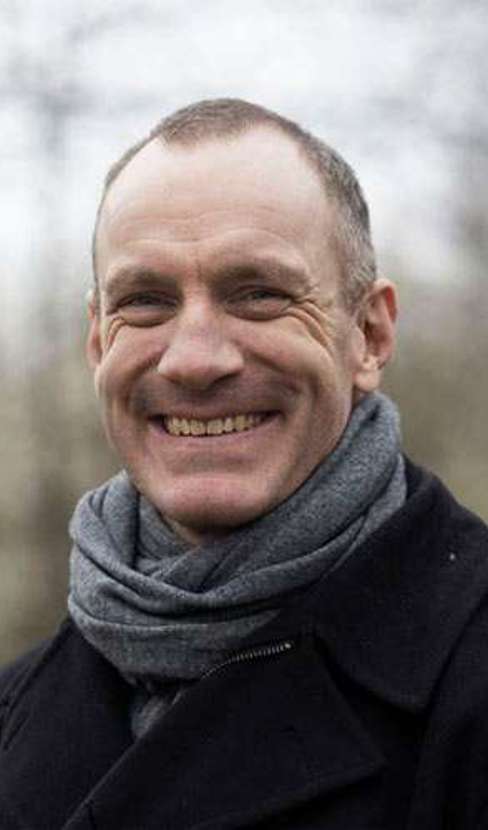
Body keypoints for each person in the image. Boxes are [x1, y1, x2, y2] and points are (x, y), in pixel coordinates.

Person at [0, 98, 487, 830]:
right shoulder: (16, 708)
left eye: (258, 294)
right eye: (146, 302)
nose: (195, 359)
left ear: (369, 335)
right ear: (98, 344)